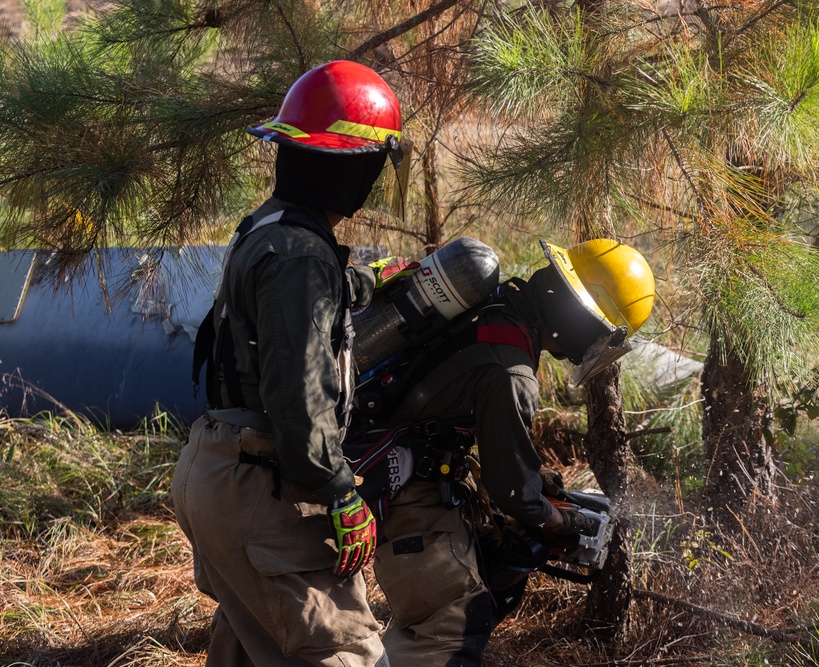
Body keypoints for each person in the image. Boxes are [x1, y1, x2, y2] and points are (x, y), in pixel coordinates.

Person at [173, 60, 408, 666]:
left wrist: (361, 281)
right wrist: (340, 493)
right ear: (358, 168)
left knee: (253, 648)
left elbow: (280, 312)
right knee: (343, 651)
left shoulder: (271, 229)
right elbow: (298, 393)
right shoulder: (302, 256)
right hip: (263, 485)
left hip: (217, 469)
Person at [347, 238, 656, 666]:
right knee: (451, 621)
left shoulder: (502, 306)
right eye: (601, 332)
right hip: (401, 481)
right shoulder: (513, 370)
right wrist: (561, 521)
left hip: (388, 458)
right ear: (581, 318)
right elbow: (513, 492)